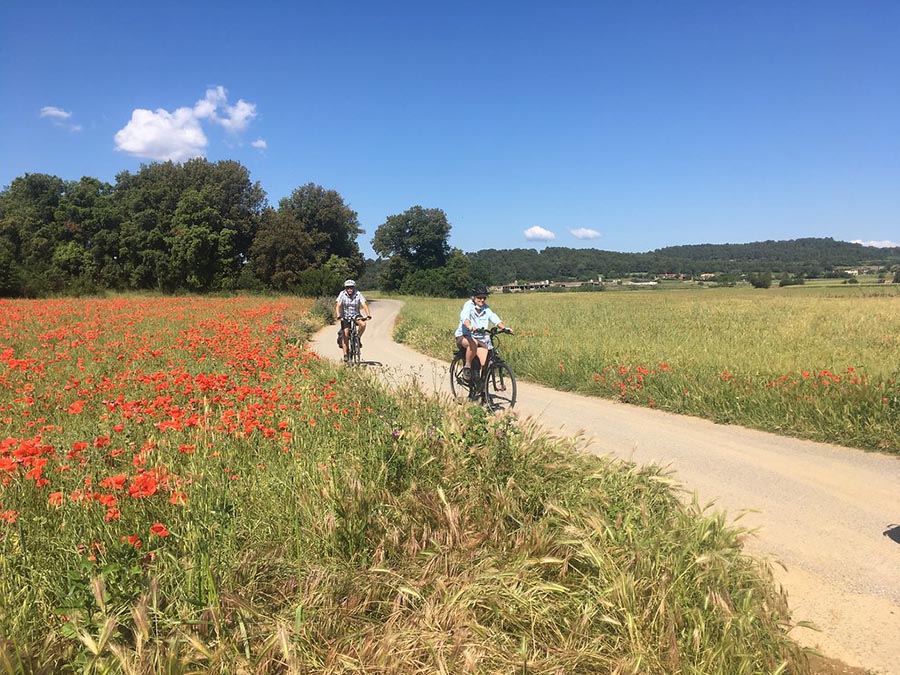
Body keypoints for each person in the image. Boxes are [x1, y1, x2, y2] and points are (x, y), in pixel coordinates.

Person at [454, 285, 511, 381]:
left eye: (484, 297)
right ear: (473, 297)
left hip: (480, 339)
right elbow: (465, 317)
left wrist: (505, 328)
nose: (482, 300)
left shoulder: (485, 308)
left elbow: (494, 318)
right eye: (479, 297)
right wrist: (469, 326)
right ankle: (467, 367)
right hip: (464, 336)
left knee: (486, 362)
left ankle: (482, 387)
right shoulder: (468, 305)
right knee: (473, 343)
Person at [334, 279, 371, 361]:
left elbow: (364, 304)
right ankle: (345, 354)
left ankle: (357, 338)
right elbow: (338, 305)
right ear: (345, 288)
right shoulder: (342, 294)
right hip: (345, 316)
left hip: (355, 315)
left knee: (363, 324)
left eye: (351, 287)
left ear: (354, 288)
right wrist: (338, 315)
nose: (350, 289)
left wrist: (368, 315)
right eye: (348, 287)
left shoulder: (358, 294)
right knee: (346, 334)